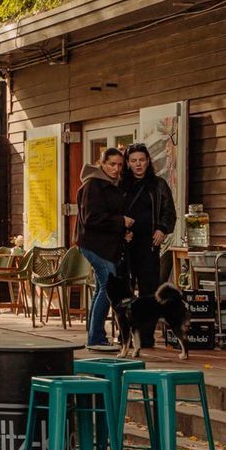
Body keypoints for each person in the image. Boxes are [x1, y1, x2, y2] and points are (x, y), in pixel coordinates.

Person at [122, 142, 178, 347]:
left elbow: (169, 212)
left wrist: (162, 228)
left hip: (149, 244)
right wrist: (122, 231)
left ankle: (146, 338)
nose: (138, 164)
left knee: (148, 292)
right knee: (126, 292)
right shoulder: (121, 185)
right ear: (127, 163)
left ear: (148, 162)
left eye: (142, 160)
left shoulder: (158, 184)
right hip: (126, 245)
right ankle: (126, 337)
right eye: (134, 160)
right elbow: (112, 213)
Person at [78, 147, 134, 350]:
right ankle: (97, 338)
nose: (116, 169)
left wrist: (123, 231)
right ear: (101, 163)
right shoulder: (94, 185)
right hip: (95, 246)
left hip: (105, 245)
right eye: (112, 164)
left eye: (120, 165)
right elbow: (91, 218)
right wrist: (122, 222)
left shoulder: (111, 185)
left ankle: (95, 336)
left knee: (101, 289)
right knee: (107, 289)